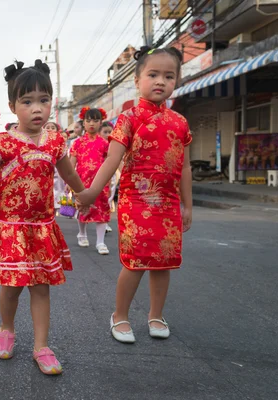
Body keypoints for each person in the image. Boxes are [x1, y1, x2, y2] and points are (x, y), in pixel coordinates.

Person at [0, 60, 89, 375]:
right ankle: (6, 328)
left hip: (42, 229)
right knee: (11, 287)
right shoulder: (4, 143)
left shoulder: (56, 142)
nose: (36, 108)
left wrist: (86, 196)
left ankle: (41, 346)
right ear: (13, 106)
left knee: (41, 288)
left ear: (52, 103)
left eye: (44, 100)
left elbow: (70, 176)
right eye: (27, 101)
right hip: (10, 229)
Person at [77, 46, 192, 343]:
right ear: (138, 79)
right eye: (153, 74)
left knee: (163, 263)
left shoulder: (180, 122)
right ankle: (120, 315)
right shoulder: (128, 119)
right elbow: (111, 160)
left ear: (176, 80)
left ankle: (156, 314)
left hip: (167, 203)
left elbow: (185, 167)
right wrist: (91, 192)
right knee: (136, 262)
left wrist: (187, 205)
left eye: (169, 76)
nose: (160, 81)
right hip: (136, 201)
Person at [70, 107, 111, 255]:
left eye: (95, 120)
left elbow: (109, 163)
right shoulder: (77, 143)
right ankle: (82, 233)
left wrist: (110, 182)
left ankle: (100, 242)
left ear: (101, 122)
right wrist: (70, 183)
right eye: (88, 120)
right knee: (83, 208)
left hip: (101, 182)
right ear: (84, 123)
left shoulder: (106, 144)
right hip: (81, 181)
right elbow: (71, 163)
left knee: (102, 209)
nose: (91, 123)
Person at [44, 122, 66, 214]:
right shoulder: (40, 142)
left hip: (58, 170)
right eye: (47, 127)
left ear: (57, 131)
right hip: (45, 171)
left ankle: (55, 213)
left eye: (52, 127)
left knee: (58, 191)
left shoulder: (60, 142)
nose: (50, 129)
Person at [100, 121, 117, 233]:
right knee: (102, 199)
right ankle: (101, 221)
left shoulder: (115, 144)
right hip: (101, 173)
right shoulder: (99, 144)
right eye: (104, 132)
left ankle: (104, 222)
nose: (107, 134)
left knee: (109, 199)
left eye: (109, 132)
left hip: (113, 174)